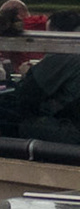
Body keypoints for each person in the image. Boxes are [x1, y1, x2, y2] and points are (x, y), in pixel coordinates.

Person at [14, 11, 80, 143]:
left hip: (74, 130)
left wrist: (28, 73)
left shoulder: (65, 54)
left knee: (19, 122)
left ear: (56, 33)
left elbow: (28, 94)